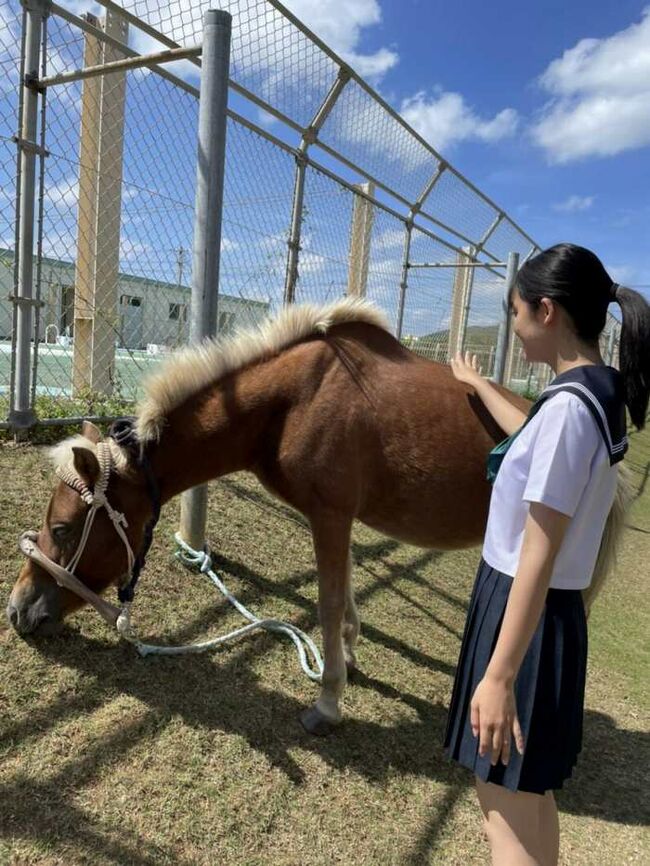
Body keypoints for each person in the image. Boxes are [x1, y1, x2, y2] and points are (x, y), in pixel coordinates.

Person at [444, 243, 650, 866]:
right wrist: (477, 384)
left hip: (523, 620)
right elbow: (533, 434)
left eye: (514, 311)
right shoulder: (587, 397)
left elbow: (536, 553)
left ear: (546, 310)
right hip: (547, 619)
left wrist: (501, 676)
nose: (512, 325)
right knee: (528, 796)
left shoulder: (568, 412)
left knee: (500, 809)